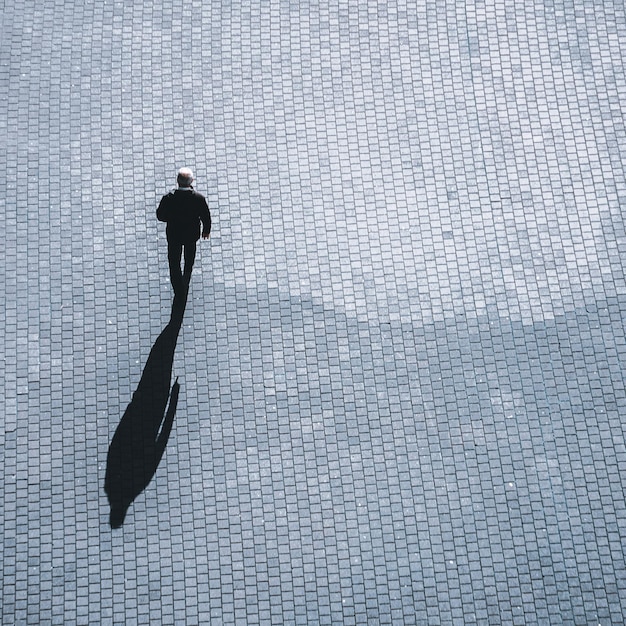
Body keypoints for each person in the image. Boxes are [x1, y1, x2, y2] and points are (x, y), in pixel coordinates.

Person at [157, 167, 211, 296]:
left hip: (174, 234)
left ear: (177, 180)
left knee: (174, 260)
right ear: (191, 181)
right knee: (189, 255)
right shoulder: (198, 198)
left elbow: (160, 216)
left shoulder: (168, 198)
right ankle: (186, 275)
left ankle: (178, 287)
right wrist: (206, 230)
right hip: (191, 234)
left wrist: (171, 218)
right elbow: (205, 216)